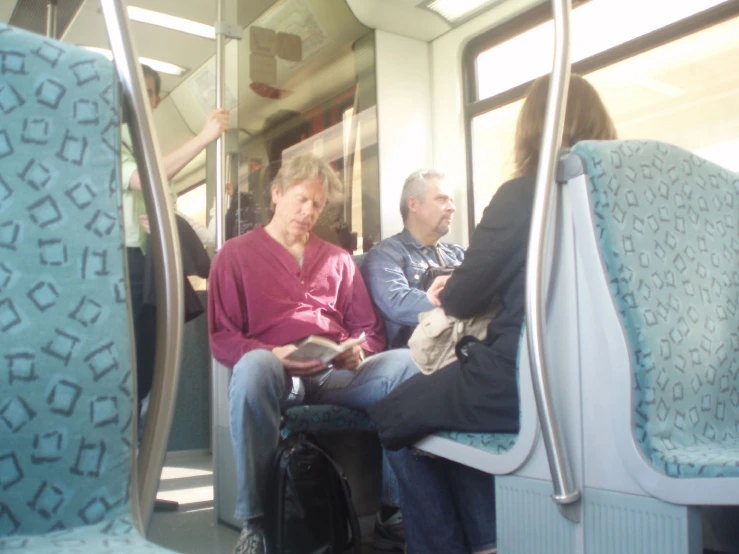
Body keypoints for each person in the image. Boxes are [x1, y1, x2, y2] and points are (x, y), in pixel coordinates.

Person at [369, 74, 618, 553]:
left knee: (392, 417)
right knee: (439, 402)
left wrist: (455, 287)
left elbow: (462, 300)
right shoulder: (612, 198)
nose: (451, 205)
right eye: (441, 198)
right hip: (601, 375)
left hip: (525, 378)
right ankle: (486, 539)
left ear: (529, 132)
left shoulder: (523, 195)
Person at [207, 154, 420, 554]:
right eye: (301, 200)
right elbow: (223, 337)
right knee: (254, 365)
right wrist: (272, 351)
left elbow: (369, 330)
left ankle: (393, 512)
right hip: (275, 372)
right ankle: (254, 521)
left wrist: (357, 351)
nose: (308, 212)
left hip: (332, 374)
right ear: (276, 194)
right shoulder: (233, 256)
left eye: (317, 205)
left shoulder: (339, 260)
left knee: (409, 364)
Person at [121, 64, 230, 404]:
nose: (139, 97)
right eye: (131, 88)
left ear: (155, 100)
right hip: (125, 264)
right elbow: (143, 180)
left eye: (147, 91)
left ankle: (140, 446)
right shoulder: (105, 135)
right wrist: (203, 138)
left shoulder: (145, 144)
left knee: (152, 357)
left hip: (151, 263)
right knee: (134, 360)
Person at [361, 169, 465, 347]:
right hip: (416, 356)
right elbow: (398, 303)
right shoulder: (385, 254)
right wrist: (460, 302)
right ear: (413, 204)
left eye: (452, 201)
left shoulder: (458, 254)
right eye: (441, 199)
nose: (452, 208)